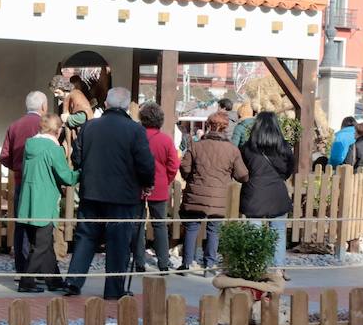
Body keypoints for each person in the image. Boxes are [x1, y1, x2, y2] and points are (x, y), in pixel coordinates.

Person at [66, 87, 155, 299]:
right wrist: (146, 183)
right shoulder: (135, 130)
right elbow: (145, 163)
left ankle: (73, 281)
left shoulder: (89, 127)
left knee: (85, 238)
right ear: (127, 107)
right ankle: (114, 290)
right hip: (123, 196)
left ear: (106, 104)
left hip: (92, 192)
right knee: (118, 242)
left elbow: (77, 157)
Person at [179, 111, 249, 272]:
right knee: (214, 230)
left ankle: (187, 263)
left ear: (209, 125)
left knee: (192, 228)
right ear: (225, 127)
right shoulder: (232, 150)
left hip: (195, 194)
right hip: (218, 197)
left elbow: (185, 167)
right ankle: (209, 265)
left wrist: (189, 177)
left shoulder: (196, 146)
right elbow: (243, 175)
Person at [16, 114, 78, 292]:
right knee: (41, 246)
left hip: (28, 203)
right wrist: (80, 173)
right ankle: (26, 282)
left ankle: (55, 281)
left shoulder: (30, 145)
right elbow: (66, 177)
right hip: (44, 203)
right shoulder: (53, 148)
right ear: (58, 130)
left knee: (45, 244)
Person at [0, 91, 48, 291]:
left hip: (21, 181)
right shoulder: (45, 126)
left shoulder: (14, 126)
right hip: (42, 183)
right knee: (42, 228)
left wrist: (17, 168)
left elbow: (4, 157)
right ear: (44, 107)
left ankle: (22, 272)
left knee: (21, 227)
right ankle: (37, 273)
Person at [239, 112, 293, 268]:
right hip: (277, 193)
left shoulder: (248, 148)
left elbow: (242, 170)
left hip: (254, 193)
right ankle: (278, 269)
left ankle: (254, 268)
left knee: (253, 232)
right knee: (278, 233)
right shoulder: (284, 147)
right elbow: (288, 170)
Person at [134, 102, 180, 273]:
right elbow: (174, 165)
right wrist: (166, 180)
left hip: (137, 185)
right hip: (159, 185)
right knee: (160, 224)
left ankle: (139, 262)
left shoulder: (136, 137)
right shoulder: (166, 140)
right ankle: (163, 262)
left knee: (137, 224)